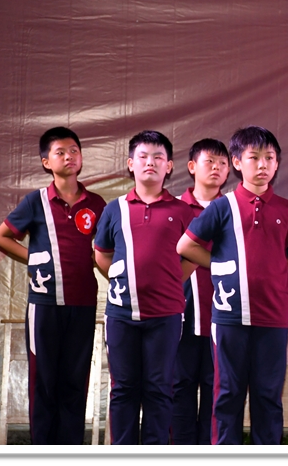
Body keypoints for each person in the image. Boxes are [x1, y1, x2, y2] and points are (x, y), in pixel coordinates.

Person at [177, 125, 288, 445]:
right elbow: (185, 246)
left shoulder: (287, 209)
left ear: (277, 164)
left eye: (269, 158)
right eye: (254, 157)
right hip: (229, 318)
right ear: (237, 162)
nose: (262, 165)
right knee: (227, 395)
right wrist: (220, 264)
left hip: (273, 319)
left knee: (268, 397)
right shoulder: (223, 206)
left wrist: (280, 267)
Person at [0, 127, 106, 445]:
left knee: (75, 380)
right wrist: (33, 258)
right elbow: (0, 237)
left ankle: (70, 450)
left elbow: (105, 250)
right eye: (60, 152)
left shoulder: (97, 204)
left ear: (81, 157)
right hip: (43, 305)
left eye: (74, 151)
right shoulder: (36, 201)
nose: (69, 157)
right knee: (44, 381)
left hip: (83, 303)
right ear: (46, 162)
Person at [94, 130, 196, 445]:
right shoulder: (115, 209)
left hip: (166, 316)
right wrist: (125, 281)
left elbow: (193, 256)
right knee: (123, 389)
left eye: (158, 157)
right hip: (121, 315)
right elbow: (101, 254)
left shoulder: (182, 211)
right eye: (143, 157)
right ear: (131, 164)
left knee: (159, 388)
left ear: (169, 166)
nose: (150, 162)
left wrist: (169, 280)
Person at [170, 138, 230, 445]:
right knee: (179, 387)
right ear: (192, 167)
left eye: (223, 163)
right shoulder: (175, 209)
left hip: (223, 314)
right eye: (210, 162)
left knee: (216, 389)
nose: (217, 168)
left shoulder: (233, 208)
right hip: (180, 315)